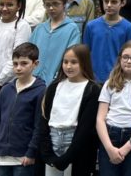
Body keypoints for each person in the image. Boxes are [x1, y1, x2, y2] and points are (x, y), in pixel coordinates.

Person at [37, 43, 101, 176]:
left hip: (75, 143)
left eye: (74, 62)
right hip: (53, 140)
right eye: (65, 62)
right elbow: (44, 120)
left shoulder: (92, 89)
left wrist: (67, 157)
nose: (68, 66)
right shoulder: (54, 87)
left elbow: (85, 127)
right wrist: (47, 153)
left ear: (84, 63)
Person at [95, 40, 131, 176]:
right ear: (120, 58)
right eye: (126, 57)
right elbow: (100, 119)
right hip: (110, 136)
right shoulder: (110, 83)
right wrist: (109, 148)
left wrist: (128, 147)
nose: (129, 61)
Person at [0, 42, 47, 176]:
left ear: (35, 64)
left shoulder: (41, 90)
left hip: (24, 157)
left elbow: (39, 125)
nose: (18, 68)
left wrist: (31, 152)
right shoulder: (6, 89)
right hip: (1, 156)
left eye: (24, 63)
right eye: (15, 64)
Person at [83, 0, 131, 83]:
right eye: (106, 1)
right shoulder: (91, 26)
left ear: (123, 3)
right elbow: (86, 54)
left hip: (117, 79)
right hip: (93, 79)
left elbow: (130, 55)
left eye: (114, 2)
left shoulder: (128, 28)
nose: (109, 5)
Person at [31, 0, 82, 84]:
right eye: (47, 4)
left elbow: (71, 57)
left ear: (64, 4)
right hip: (34, 81)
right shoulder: (39, 29)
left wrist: (57, 78)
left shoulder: (72, 29)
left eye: (55, 4)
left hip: (56, 82)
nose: (51, 8)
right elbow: (30, 53)